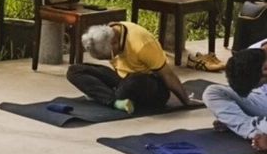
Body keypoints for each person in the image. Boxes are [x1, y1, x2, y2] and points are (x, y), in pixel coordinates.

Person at [67, 22, 198, 114]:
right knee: (74, 71)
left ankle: (106, 96)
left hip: (148, 85)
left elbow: (167, 74)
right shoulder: (109, 32)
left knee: (131, 83)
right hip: (122, 80)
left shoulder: (142, 44)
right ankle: (115, 101)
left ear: (114, 43)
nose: (110, 60)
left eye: (108, 56)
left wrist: (186, 101)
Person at [202, 38, 267, 149]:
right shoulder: (252, 53)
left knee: (235, 117)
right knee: (213, 92)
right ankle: (254, 130)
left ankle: (246, 123)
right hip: (261, 98)